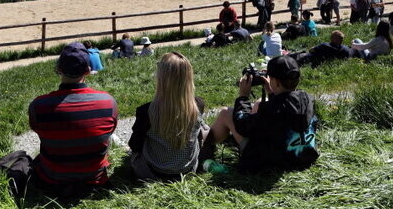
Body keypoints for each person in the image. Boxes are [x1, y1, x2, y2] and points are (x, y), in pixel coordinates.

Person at [28, 43, 118, 198]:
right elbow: (110, 130)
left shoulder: (39, 106)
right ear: (88, 71)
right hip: (94, 178)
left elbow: (36, 128)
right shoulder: (108, 102)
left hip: (52, 178)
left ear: (58, 69)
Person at [206, 56, 318, 172]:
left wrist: (243, 97)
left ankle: (204, 147)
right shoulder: (308, 99)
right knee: (259, 103)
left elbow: (241, 125)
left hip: (272, 163)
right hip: (303, 156)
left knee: (226, 113)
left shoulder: (272, 109)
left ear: (276, 81)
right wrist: (272, 93)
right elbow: (285, 109)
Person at [129, 52, 209, 180]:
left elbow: (134, 145)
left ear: (161, 78)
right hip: (187, 172)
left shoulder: (147, 111)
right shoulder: (198, 105)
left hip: (151, 173)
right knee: (205, 128)